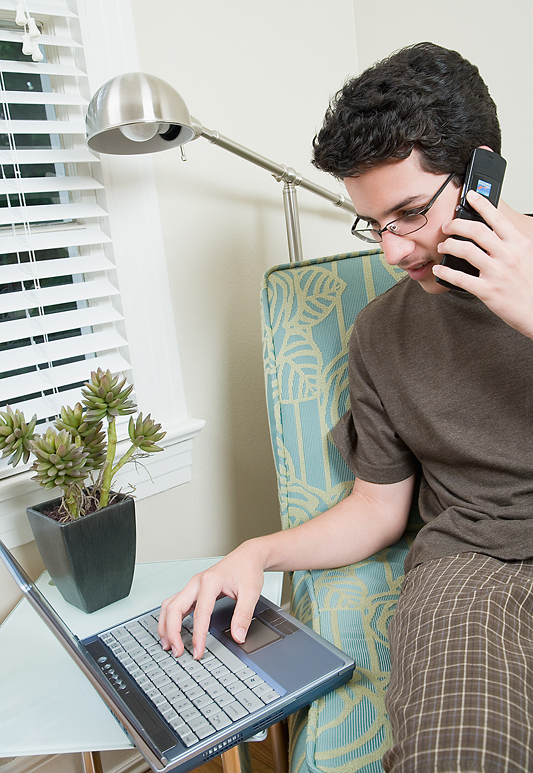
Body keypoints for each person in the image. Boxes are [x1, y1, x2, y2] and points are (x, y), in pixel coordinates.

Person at [159, 43, 533, 771]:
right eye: (373, 224)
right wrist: (257, 552)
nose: (393, 252)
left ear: (481, 172)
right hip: (473, 568)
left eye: (410, 213)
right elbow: (377, 508)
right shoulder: (382, 333)